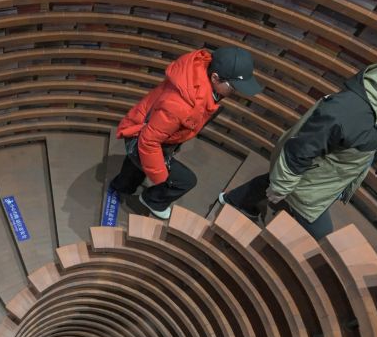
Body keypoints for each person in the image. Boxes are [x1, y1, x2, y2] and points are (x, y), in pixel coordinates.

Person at [220, 40, 377, 241]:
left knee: (270, 186)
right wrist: (282, 186)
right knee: (322, 235)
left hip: (334, 175)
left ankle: (235, 201)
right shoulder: (348, 111)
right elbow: (299, 149)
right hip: (312, 179)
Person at [109, 46, 262, 219]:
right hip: (142, 136)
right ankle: (152, 200)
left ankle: (122, 186)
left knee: (135, 166)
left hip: (142, 124)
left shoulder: (197, 75)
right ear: (215, 78)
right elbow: (148, 142)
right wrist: (161, 177)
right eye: (234, 87)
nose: (237, 92)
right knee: (185, 181)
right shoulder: (181, 105)